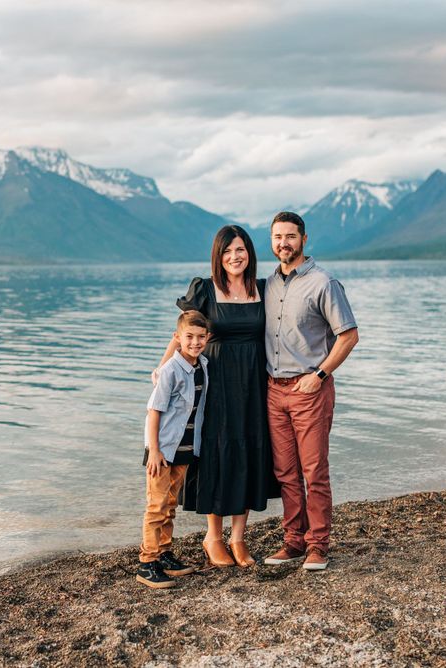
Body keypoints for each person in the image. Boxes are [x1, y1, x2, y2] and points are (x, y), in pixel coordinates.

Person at [155, 225, 277, 569]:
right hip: (214, 383)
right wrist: (163, 368)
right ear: (218, 256)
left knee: (250, 450)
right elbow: (182, 331)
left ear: (249, 253)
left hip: (253, 384)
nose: (234, 257)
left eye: (240, 250)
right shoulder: (205, 289)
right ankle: (214, 537)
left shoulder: (264, 289)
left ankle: (239, 539)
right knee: (216, 451)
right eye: (227, 251)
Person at [262, 211, 358, 572]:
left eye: (289, 236)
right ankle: (293, 541)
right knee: (285, 472)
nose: (283, 243)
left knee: (314, 470)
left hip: (309, 389)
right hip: (274, 391)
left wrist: (320, 374)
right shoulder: (267, 286)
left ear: (304, 239)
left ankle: (318, 545)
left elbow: (348, 336)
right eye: (276, 237)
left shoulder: (324, 283)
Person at [137, 310, 210, 589]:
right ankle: (147, 562)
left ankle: (164, 553)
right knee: (156, 506)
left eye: (200, 337)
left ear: (208, 338)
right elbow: (153, 411)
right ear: (177, 338)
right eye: (189, 337)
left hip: (186, 448)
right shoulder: (170, 371)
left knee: (169, 504)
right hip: (163, 450)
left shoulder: (203, 365)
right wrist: (153, 450)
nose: (195, 342)